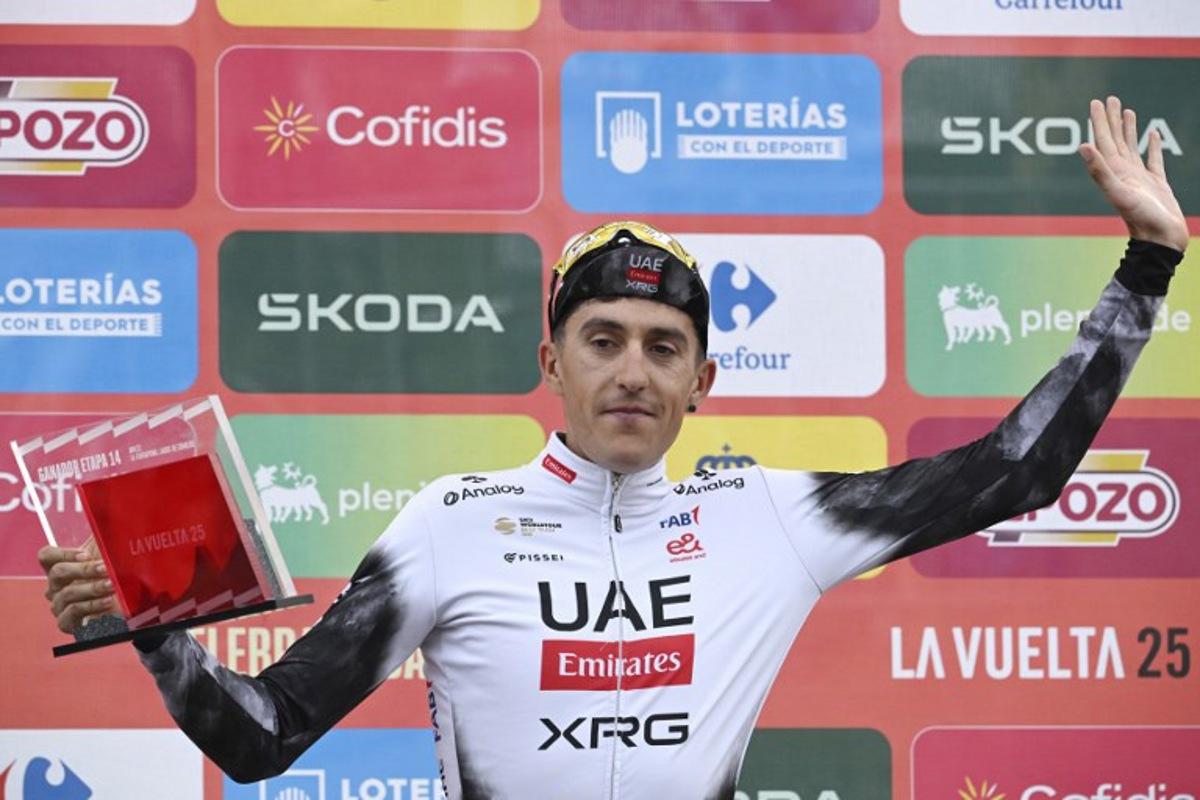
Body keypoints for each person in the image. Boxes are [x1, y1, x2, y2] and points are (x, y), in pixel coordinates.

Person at [38, 97, 1188, 799]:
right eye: (601, 338)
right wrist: (160, 629)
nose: (630, 368)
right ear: (552, 363)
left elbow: (1018, 468)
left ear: (704, 381)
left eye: (661, 343)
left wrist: (1146, 268)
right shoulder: (451, 518)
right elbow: (262, 735)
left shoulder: (771, 515)